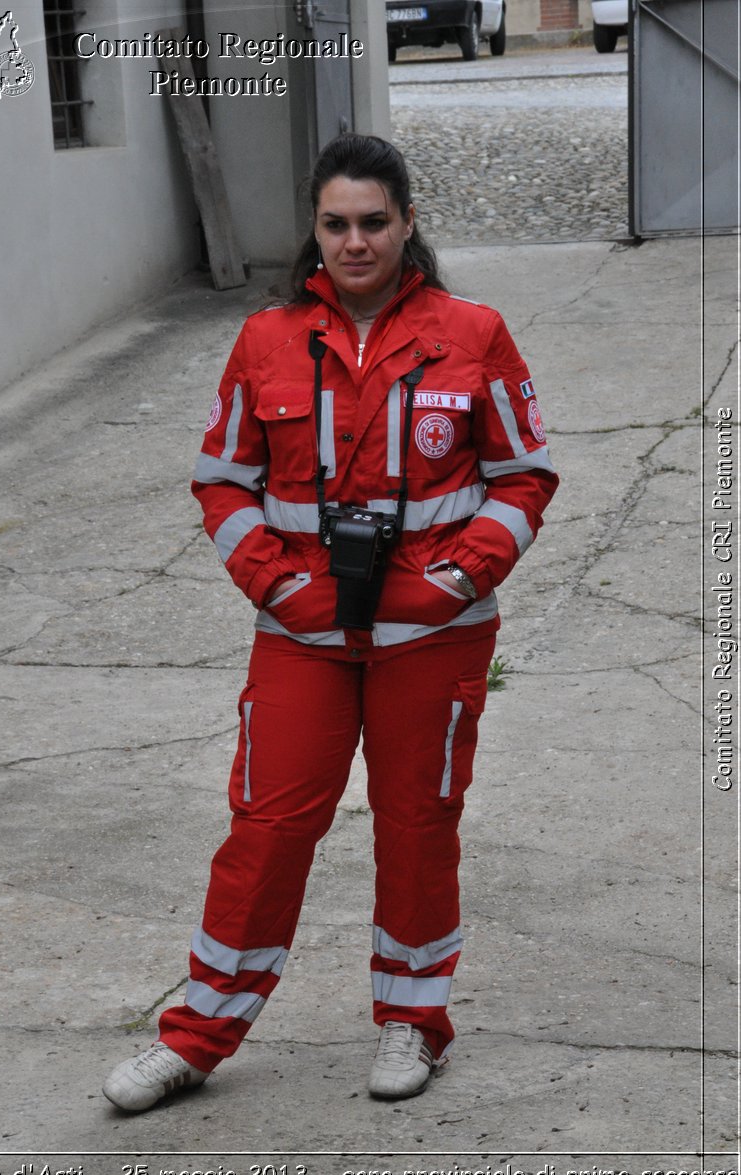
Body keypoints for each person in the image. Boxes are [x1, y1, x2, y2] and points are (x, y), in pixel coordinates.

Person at [103, 133, 558, 1113]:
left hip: (431, 638)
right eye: (335, 224)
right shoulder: (266, 342)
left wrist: (459, 573)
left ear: (405, 224)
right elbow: (223, 481)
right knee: (265, 831)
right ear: (312, 231)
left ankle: (411, 1021)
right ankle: (196, 1037)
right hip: (301, 635)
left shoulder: (472, 333)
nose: (355, 242)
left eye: (373, 223)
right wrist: (278, 588)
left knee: (415, 829)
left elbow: (523, 472)